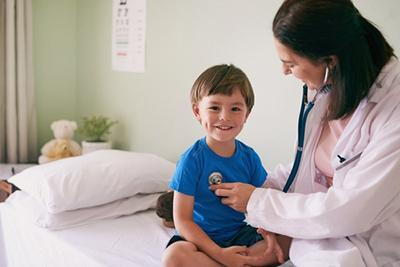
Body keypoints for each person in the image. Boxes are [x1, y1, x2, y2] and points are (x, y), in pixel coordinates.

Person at [211, 0, 400, 266]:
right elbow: (309, 165)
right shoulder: (332, 88)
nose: (284, 71)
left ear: (330, 61)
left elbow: (349, 209)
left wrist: (259, 202)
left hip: (368, 247)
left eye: (290, 63)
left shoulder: (393, 109)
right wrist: (261, 189)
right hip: (320, 239)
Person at [162, 64, 288, 267]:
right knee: (174, 257)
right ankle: (231, 263)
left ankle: (232, 262)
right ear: (197, 111)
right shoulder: (191, 160)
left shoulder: (249, 157)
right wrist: (221, 254)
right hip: (198, 240)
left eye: (235, 109)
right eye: (214, 107)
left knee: (289, 240)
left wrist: (269, 231)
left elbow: (262, 200)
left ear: (246, 114)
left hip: (239, 235)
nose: (224, 117)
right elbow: (183, 221)